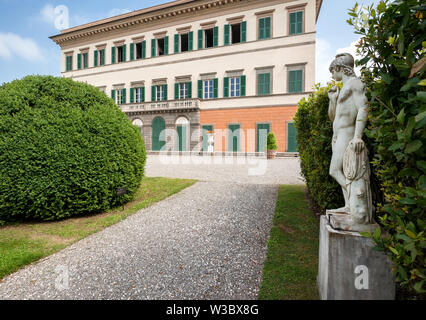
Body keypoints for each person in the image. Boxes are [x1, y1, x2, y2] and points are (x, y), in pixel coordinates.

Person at [328, 53, 369, 214]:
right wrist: (333, 100)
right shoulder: (342, 88)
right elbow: (333, 117)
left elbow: (363, 108)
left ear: (340, 68)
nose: (332, 75)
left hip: (347, 133)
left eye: (332, 71)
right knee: (345, 172)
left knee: (334, 170)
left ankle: (357, 202)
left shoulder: (356, 84)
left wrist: (358, 136)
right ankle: (349, 207)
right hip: (337, 135)